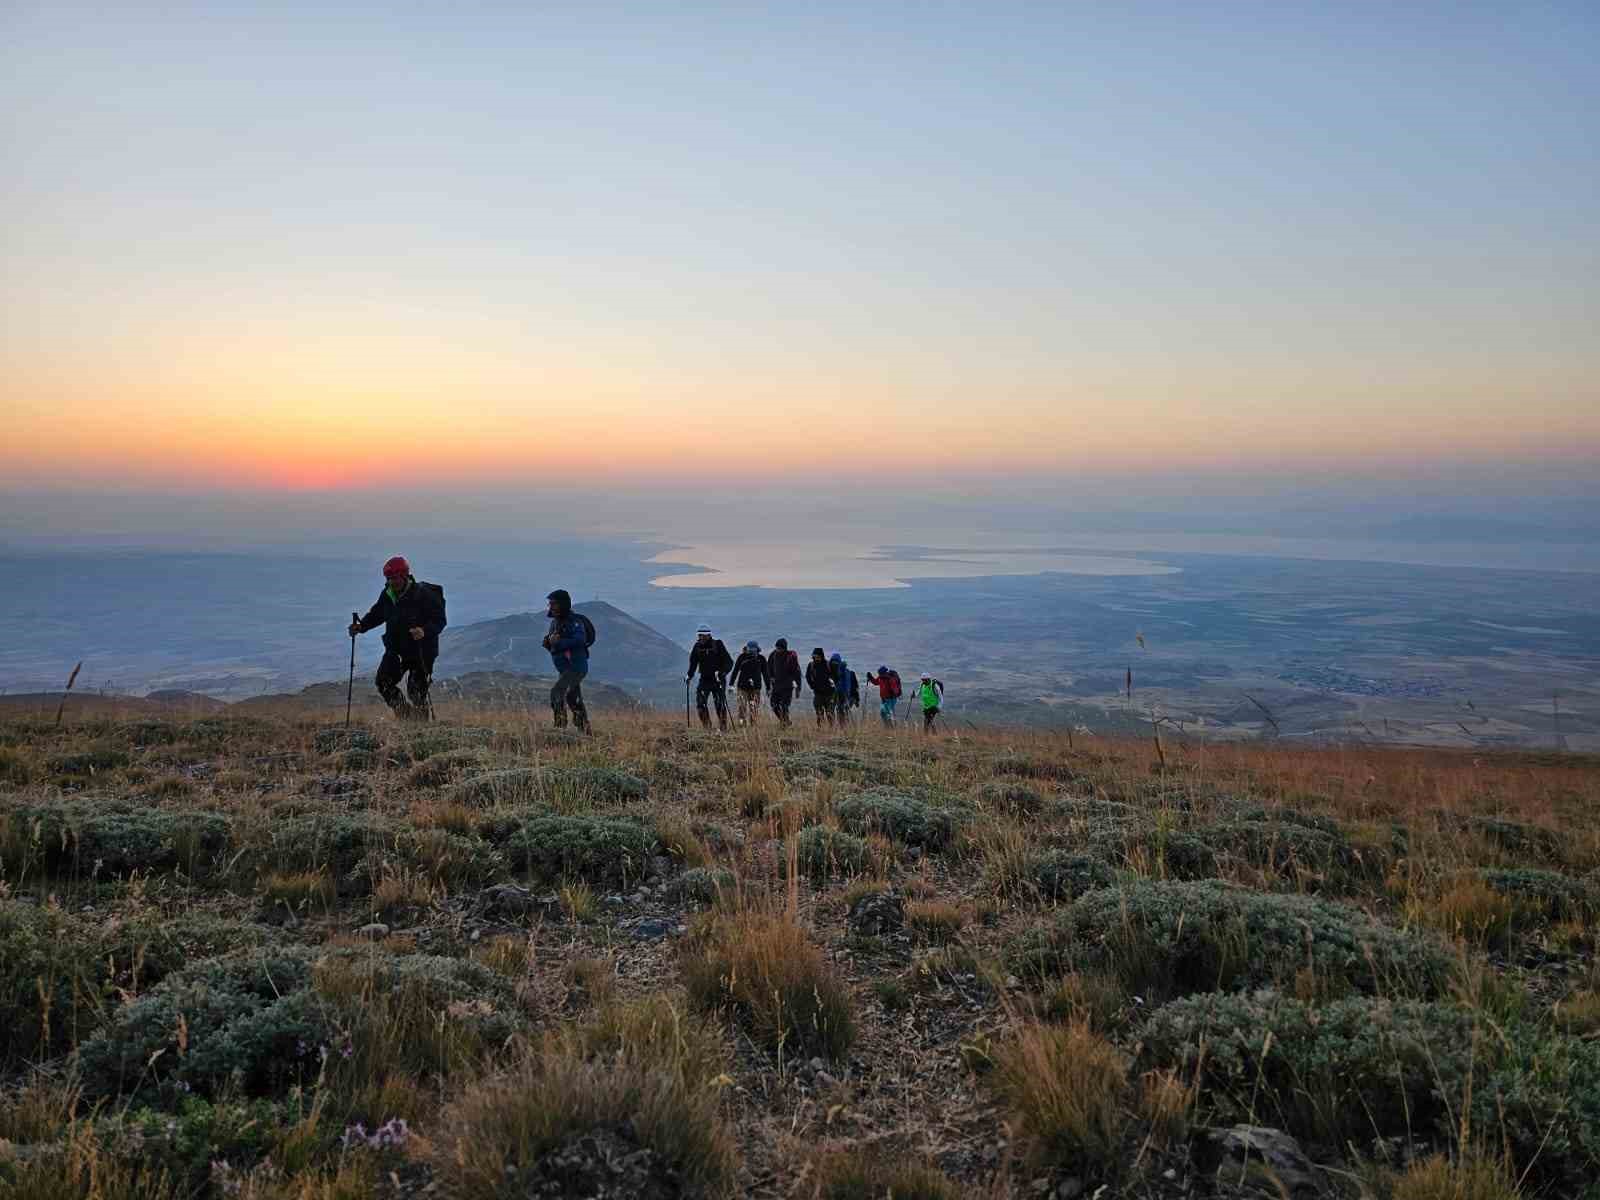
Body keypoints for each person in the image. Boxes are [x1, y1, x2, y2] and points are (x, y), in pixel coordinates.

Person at [348, 556, 447, 721]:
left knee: (416, 692)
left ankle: (421, 727)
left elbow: (440, 620)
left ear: (405, 575)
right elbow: (378, 614)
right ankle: (407, 717)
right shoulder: (388, 594)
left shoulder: (424, 594)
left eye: (395, 578)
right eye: (389, 578)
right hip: (396, 650)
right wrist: (361, 626)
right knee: (383, 682)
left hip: (422, 651)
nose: (392, 582)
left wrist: (424, 631)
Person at [542, 588, 593, 732]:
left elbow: (579, 640)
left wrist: (558, 642)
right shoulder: (555, 622)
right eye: (550, 604)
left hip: (575, 667)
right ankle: (585, 730)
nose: (551, 607)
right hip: (565, 668)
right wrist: (548, 642)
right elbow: (553, 645)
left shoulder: (574, 622)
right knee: (573, 698)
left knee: (557, 693)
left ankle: (560, 728)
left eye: (554, 604)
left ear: (563, 604)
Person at [687, 625, 734, 730]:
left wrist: (722, 673)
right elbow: (693, 663)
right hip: (704, 679)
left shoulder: (718, 644)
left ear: (709, 635)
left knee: (719, 704)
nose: (701, 638)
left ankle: (723, 728)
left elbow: (729, 662)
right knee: (700, 704)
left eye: (703, 635)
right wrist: (689, 676)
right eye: (699, 635)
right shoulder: (697, 647)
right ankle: (707, 727)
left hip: (718, 680)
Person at [729, 640, 768, 726]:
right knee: (742, 707)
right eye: (750, 651)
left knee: (754, 708)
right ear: (747, 650)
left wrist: (768, 687)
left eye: (754, 651)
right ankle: (742, 725)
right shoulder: (742, 657)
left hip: (756, 688)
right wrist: (731, 684)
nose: (752, 653)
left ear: (757, 650)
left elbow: (766, 674)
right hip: (742, 687)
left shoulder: (761, 659)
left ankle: (753, 725)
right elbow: (735, 671)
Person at [766, 637, 801, 725]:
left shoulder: (790, 656)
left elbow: (797, 672)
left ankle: (784, 723)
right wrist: (771, 678)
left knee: (784, 706)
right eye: (777, 647)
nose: (778, 649)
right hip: (776, 685)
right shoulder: (773, 655)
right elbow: (768, 668)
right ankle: (784, 721)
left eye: (780, 648)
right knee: (773, 705)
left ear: (784, 648)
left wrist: (798, 688)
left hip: (787, 686)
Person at [805, 647, 836, 726]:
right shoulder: (811, 665)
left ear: (821, 656)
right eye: (815, 656)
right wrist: (812, 686)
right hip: (818, 693)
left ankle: (832, 728)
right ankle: (821, 728)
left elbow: (835, 677)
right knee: (819, 712)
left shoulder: (828, 664)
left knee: (830, 712)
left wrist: (831, 683)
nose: (816, 658)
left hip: (829, 693)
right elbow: (807, 676)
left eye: (818, 656)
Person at [830, 653, 859, 724]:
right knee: (841, 710)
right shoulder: (832, 674)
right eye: (833, 663)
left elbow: (855, 687)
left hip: (847, 696)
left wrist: (856, 699)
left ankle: (845, 727)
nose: (834, 664)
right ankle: (843, 727)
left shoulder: (848, 673)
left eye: (836, 662)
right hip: (841, 695)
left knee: (843, 710)